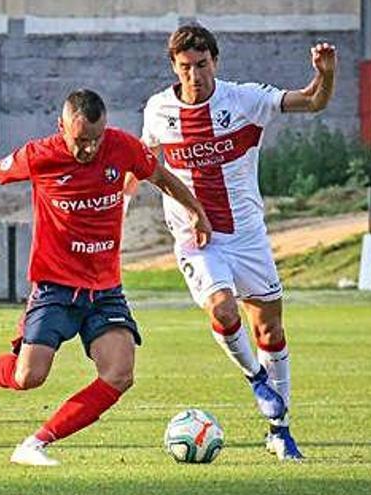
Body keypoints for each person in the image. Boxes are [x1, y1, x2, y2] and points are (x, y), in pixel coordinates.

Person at [0, 89, 212, 467]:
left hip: (104, 289)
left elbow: (162, 177)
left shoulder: (123, 148)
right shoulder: (41, 155)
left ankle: (35, 443)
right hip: (54, 287)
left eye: (95, 139)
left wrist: (197, 213)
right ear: (61, 127)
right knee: (28, 377)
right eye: (80, 141)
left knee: (120, 373)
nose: (88, 149)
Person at [139, 23, 337, 461]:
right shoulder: (157, 110)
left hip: (248, 236)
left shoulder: (244, 99)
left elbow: (313, 101)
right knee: (224, 309)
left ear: (216, 61)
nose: (195, 75)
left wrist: (325, 74)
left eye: (203, 65)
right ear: (174, 66)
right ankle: (255, 379)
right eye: (186, 67)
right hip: (195, 237)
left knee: (270, 329)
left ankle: (279, 430)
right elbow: (145, 163)